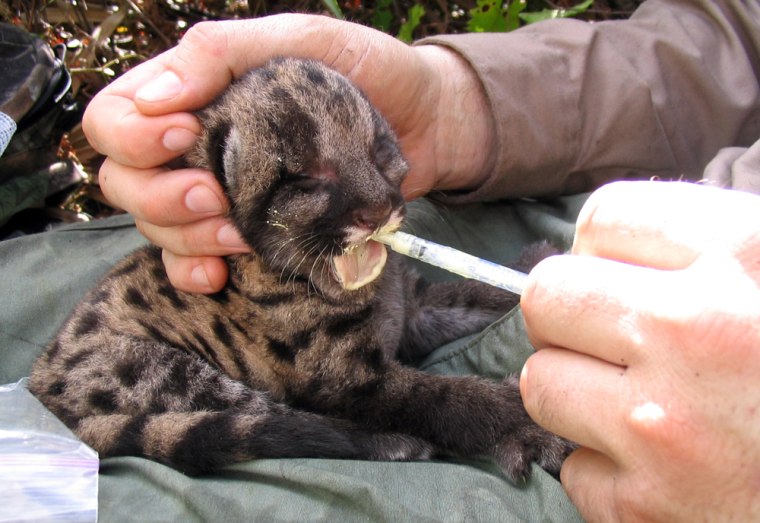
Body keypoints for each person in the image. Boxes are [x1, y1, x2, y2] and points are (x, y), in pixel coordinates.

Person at [60, 0, 760, 520]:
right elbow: (347, 384)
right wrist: (452, 100)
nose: (378, 199)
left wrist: (523, 302)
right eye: (308, 181)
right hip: (138, 380)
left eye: (378, 150)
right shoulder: (261, 266)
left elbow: (405, 313)